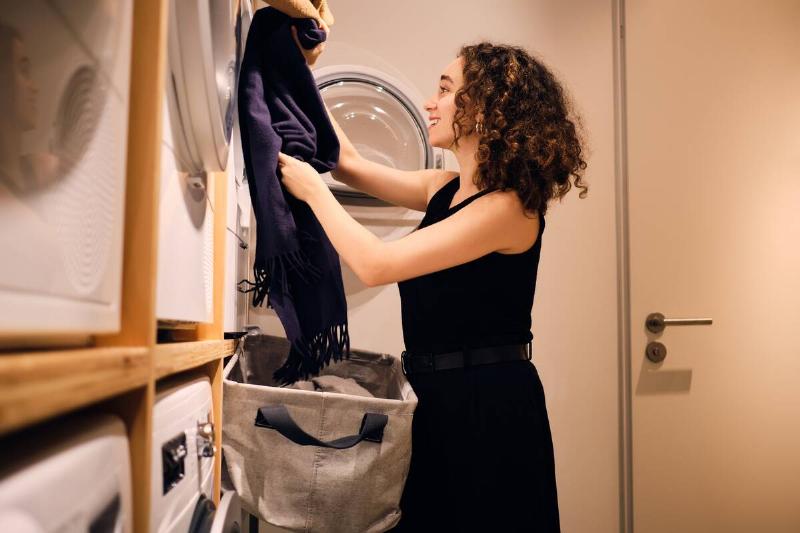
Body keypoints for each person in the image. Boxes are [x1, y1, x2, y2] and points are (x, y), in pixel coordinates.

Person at [280, 30, 587, 532]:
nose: (431, 102)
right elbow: (350, 162)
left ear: (486, 108)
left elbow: (375, 264)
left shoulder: (508, 209)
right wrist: (299, 68)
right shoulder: (444, 188)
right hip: (434, 397)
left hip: (488, 408)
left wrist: (315, 192)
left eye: (445, 89)